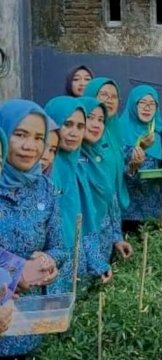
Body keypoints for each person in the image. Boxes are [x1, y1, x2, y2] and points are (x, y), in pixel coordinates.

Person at [0, 99, 67, 358]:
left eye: (39, 138)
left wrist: (48, 260)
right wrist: (17, 271)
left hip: (27, 325)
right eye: (20, 134)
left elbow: (60, 246)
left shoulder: (45, 188)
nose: (30, 146)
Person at [44, 96, 112, 288]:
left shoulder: (77, 169)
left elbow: (84, 220)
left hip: (75, 271)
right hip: (47, 274)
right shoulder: (42, 168)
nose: (74, 133)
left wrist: (97, 262)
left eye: (80, 126)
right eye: (67, 124)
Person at [78, 97, 133, 267]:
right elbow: (79, 220)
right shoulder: (72, 164)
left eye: (101, 120)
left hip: (103, 250)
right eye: (90, 118)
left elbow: (111, 199)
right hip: (82, 257)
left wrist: (116, 237)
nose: (96, 125)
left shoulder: (101, 158)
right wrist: (95, 260)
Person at [119, 85, 162, 233]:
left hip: (153, 209)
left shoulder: (158, 134)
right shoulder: (119, 130)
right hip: (127, 209)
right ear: (133, 104)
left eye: (152, 104)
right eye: (142, 102)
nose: (147, 107)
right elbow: (116, 169)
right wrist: (139, 147)